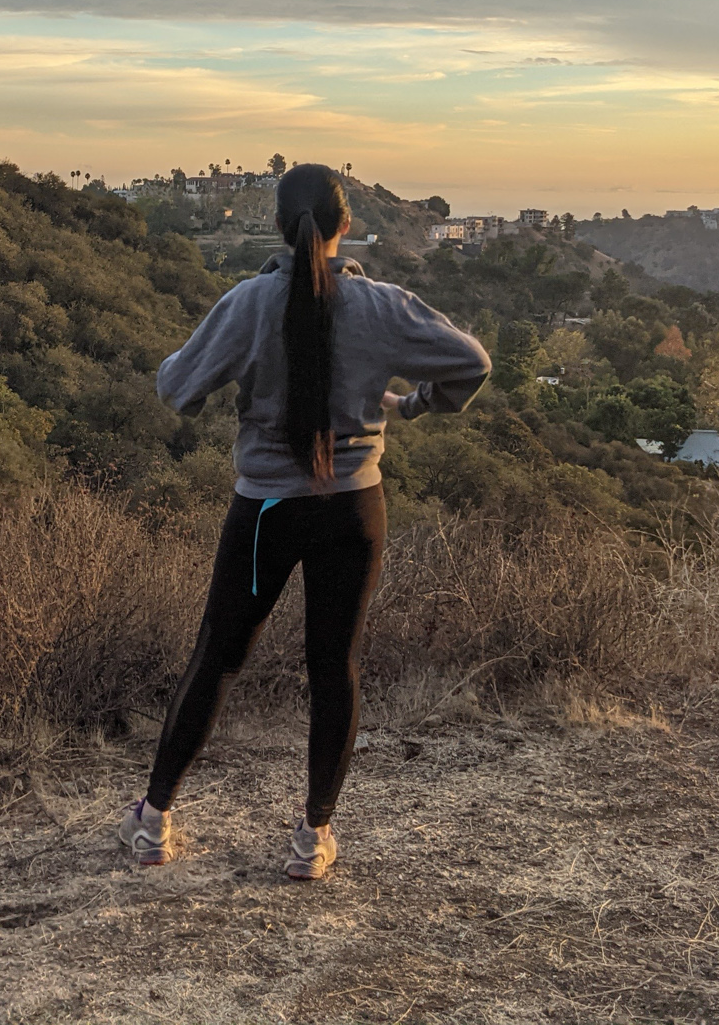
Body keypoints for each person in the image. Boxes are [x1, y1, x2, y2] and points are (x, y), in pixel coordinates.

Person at [119, 163, 491, 879]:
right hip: (354, 510)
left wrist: (220, 374)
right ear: (345, 225)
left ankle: (154, 822)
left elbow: (175, 387)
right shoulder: (384, 305)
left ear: (280, 227)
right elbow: (469, 363)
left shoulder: (249, 302)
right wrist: (410, 406)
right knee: (334, 668)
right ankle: (312, 837)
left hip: (265, 508)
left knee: (218, 659)